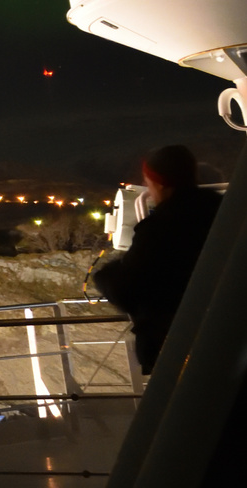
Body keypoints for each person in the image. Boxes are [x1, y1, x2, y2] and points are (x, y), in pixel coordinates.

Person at [95, 144, 222, 373]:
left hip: (173, 341)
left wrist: (105, 276)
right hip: (221, 331)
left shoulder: (160, 228)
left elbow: (127, 288)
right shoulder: (219, 210)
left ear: (159, 182)